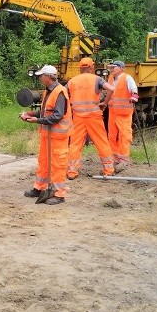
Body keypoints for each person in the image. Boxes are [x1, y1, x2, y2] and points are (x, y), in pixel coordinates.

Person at [20, 65, 72, 205]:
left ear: (48, 77)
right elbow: (45, 113)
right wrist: (30, 114)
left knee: (57, 165)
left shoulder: (60, 92)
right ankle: (39, 188)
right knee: (43, 162)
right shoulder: (47, 92)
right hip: (47, 135)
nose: (40, 78)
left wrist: (37, 120)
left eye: (41, 75)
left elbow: (57, 116)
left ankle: (59, 194)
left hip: (57, 137)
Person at [66, 57, 116, 179]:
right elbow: (111, 89)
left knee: (75, 144)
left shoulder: (72, 81)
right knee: (101, 142)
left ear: (80, 68)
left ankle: (72, 172)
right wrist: (105, 102)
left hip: (78, 117)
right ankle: (109, 170)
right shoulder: (97, 79)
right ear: (90, 67)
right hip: (94, 117)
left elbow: (63, 93)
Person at [103, 60, 139, 172]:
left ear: (121, 68)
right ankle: (115, 157)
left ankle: (124, 159)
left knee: (124, 136)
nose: (112, 69)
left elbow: (134, 90)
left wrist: (134, 97)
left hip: (124, 113)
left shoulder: (127, 78)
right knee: (112, 136)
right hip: (113, 112)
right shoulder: (110, 78)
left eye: (114, 67)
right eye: (111, 67)